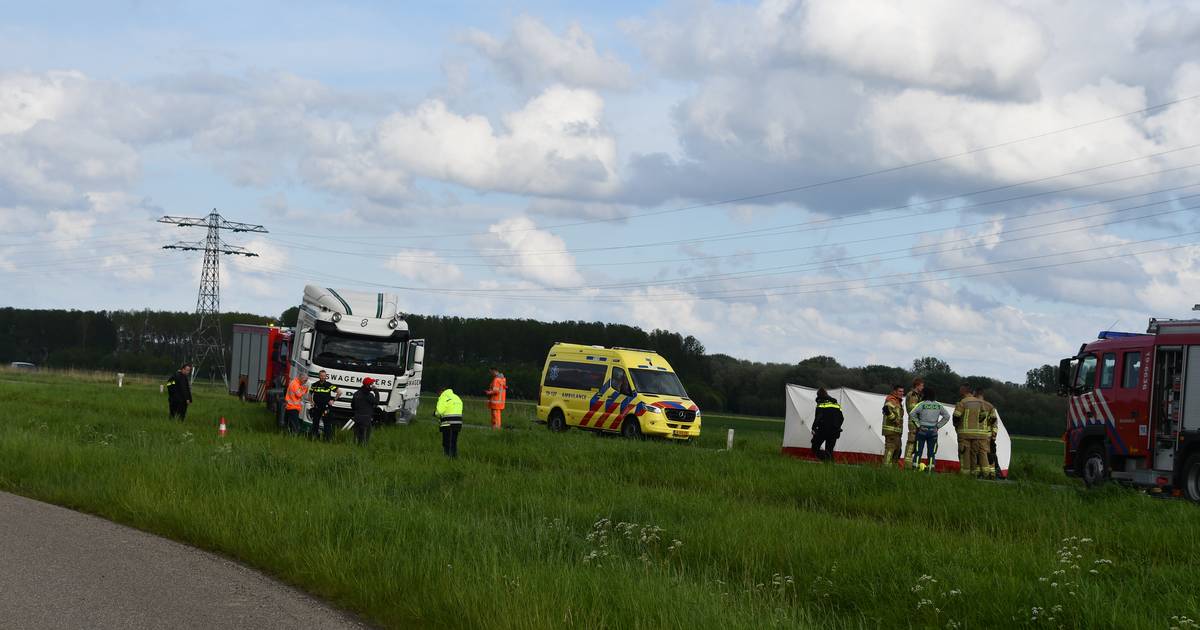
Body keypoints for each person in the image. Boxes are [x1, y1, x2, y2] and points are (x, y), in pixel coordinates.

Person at [909, 388, 951, 473]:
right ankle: (930, 470)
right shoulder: (938, 405)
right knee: (932, 452)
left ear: (925, 395)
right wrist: (938, 426)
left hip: (922, 430)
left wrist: (918, 425)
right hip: (933, 431)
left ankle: (915, 469)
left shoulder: (922, 404)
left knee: (918, 451)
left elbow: (912, 414)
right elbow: (947, 416)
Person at [953, 385, 992, 476]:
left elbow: (956, 416)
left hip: (965, 433)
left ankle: (965, 474)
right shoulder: (980, 402)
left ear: (963, 391)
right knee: (974, 454)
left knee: (965, 453)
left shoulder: (963, 402)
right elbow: (983, 415)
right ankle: (981, 473)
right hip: (978, 434)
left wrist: (957, 426)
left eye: (960, 390)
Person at [810, 388, 844, 462]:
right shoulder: (836, 404)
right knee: (829, 451)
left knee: (815, 448)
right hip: (835, 431)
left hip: (823, 430)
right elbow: (841, 418)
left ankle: (825, 459)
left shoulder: (821, 404)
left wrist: (813, 428)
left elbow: (818, 418)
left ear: (819, 395)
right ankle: (830, 465)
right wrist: (837, 427)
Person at [308, 370, 339, 441]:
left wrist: (333, 400)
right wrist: (311, 402)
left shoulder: (329, 385)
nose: (323, 377)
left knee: (327, 424)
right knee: (315, 423)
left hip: (326, 408)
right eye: (321, 376)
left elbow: (339, 392)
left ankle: (327, 439)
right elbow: (310, 394)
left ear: (326, 376)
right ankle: (313, 438)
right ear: (319, 376)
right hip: (317, 407)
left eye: (324, 376)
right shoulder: (314, 385)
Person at [435, 387, 464, 458]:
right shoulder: (456, 397)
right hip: (458, 422)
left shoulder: (443, 397)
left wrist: (435, 413)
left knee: (446, 442)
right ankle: (454, 457)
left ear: (441, 392)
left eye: (438, 394)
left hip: (448, 422)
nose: (438, 395)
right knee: (453, 441)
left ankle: (447, 457)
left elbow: (439, 411)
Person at [977, 387, 999, 479]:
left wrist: (993, 435)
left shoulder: (974, 406)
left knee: (982, 455)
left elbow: (994, 422)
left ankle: (984, 473)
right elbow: (995, 423)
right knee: (987, 455)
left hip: (982, 436)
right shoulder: (990, 406)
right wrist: (993, 435)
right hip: (987, 436)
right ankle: (990, 474)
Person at [881, 384, 905, 466]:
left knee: (897, 451)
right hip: (891, 431)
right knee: (890, 450)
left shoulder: (898, 401)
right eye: (900, 391)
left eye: (902, 391)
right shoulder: (891, 399)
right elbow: (886, 409)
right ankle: (886, 468)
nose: (902, 393)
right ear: (894, 391)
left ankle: (893, 469)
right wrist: (894, 419)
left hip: (897, 432)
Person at [903, 377, 925, 464]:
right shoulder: (912, 395)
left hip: (918, 421)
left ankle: (913, 462)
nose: (923, 388)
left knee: (916, 442)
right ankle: (907, 462)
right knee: (912, 441)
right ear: (917, 385)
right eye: (922, 386)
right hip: (913, 421)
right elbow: (913, 409)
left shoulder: (918, 395)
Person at [351, 377, 378, 446]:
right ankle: (363, 449)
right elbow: (376, 402)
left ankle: (355, 448)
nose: (373, 385)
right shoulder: (370, 395)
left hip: (357, 417)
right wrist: (376, 392)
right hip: (366, 418)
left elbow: (352, 406)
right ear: (368, 386)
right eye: (372, 384)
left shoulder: (356, 393)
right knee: (365, 437)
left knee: (356, 436)